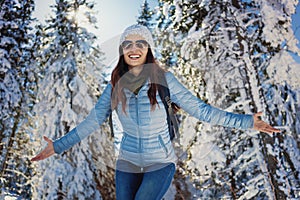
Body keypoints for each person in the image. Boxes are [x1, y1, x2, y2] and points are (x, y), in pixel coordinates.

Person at [31, 24, 280, 200]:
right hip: (126, 163)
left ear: (148, 48)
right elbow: (92, 121)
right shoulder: (115, 86)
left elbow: (202, 111)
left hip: (159, 162)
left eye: (140, 43)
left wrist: (248, 122)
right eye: (127, 44)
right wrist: (59, 145)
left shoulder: (165, 80)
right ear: (122, 51)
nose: (133, 48)